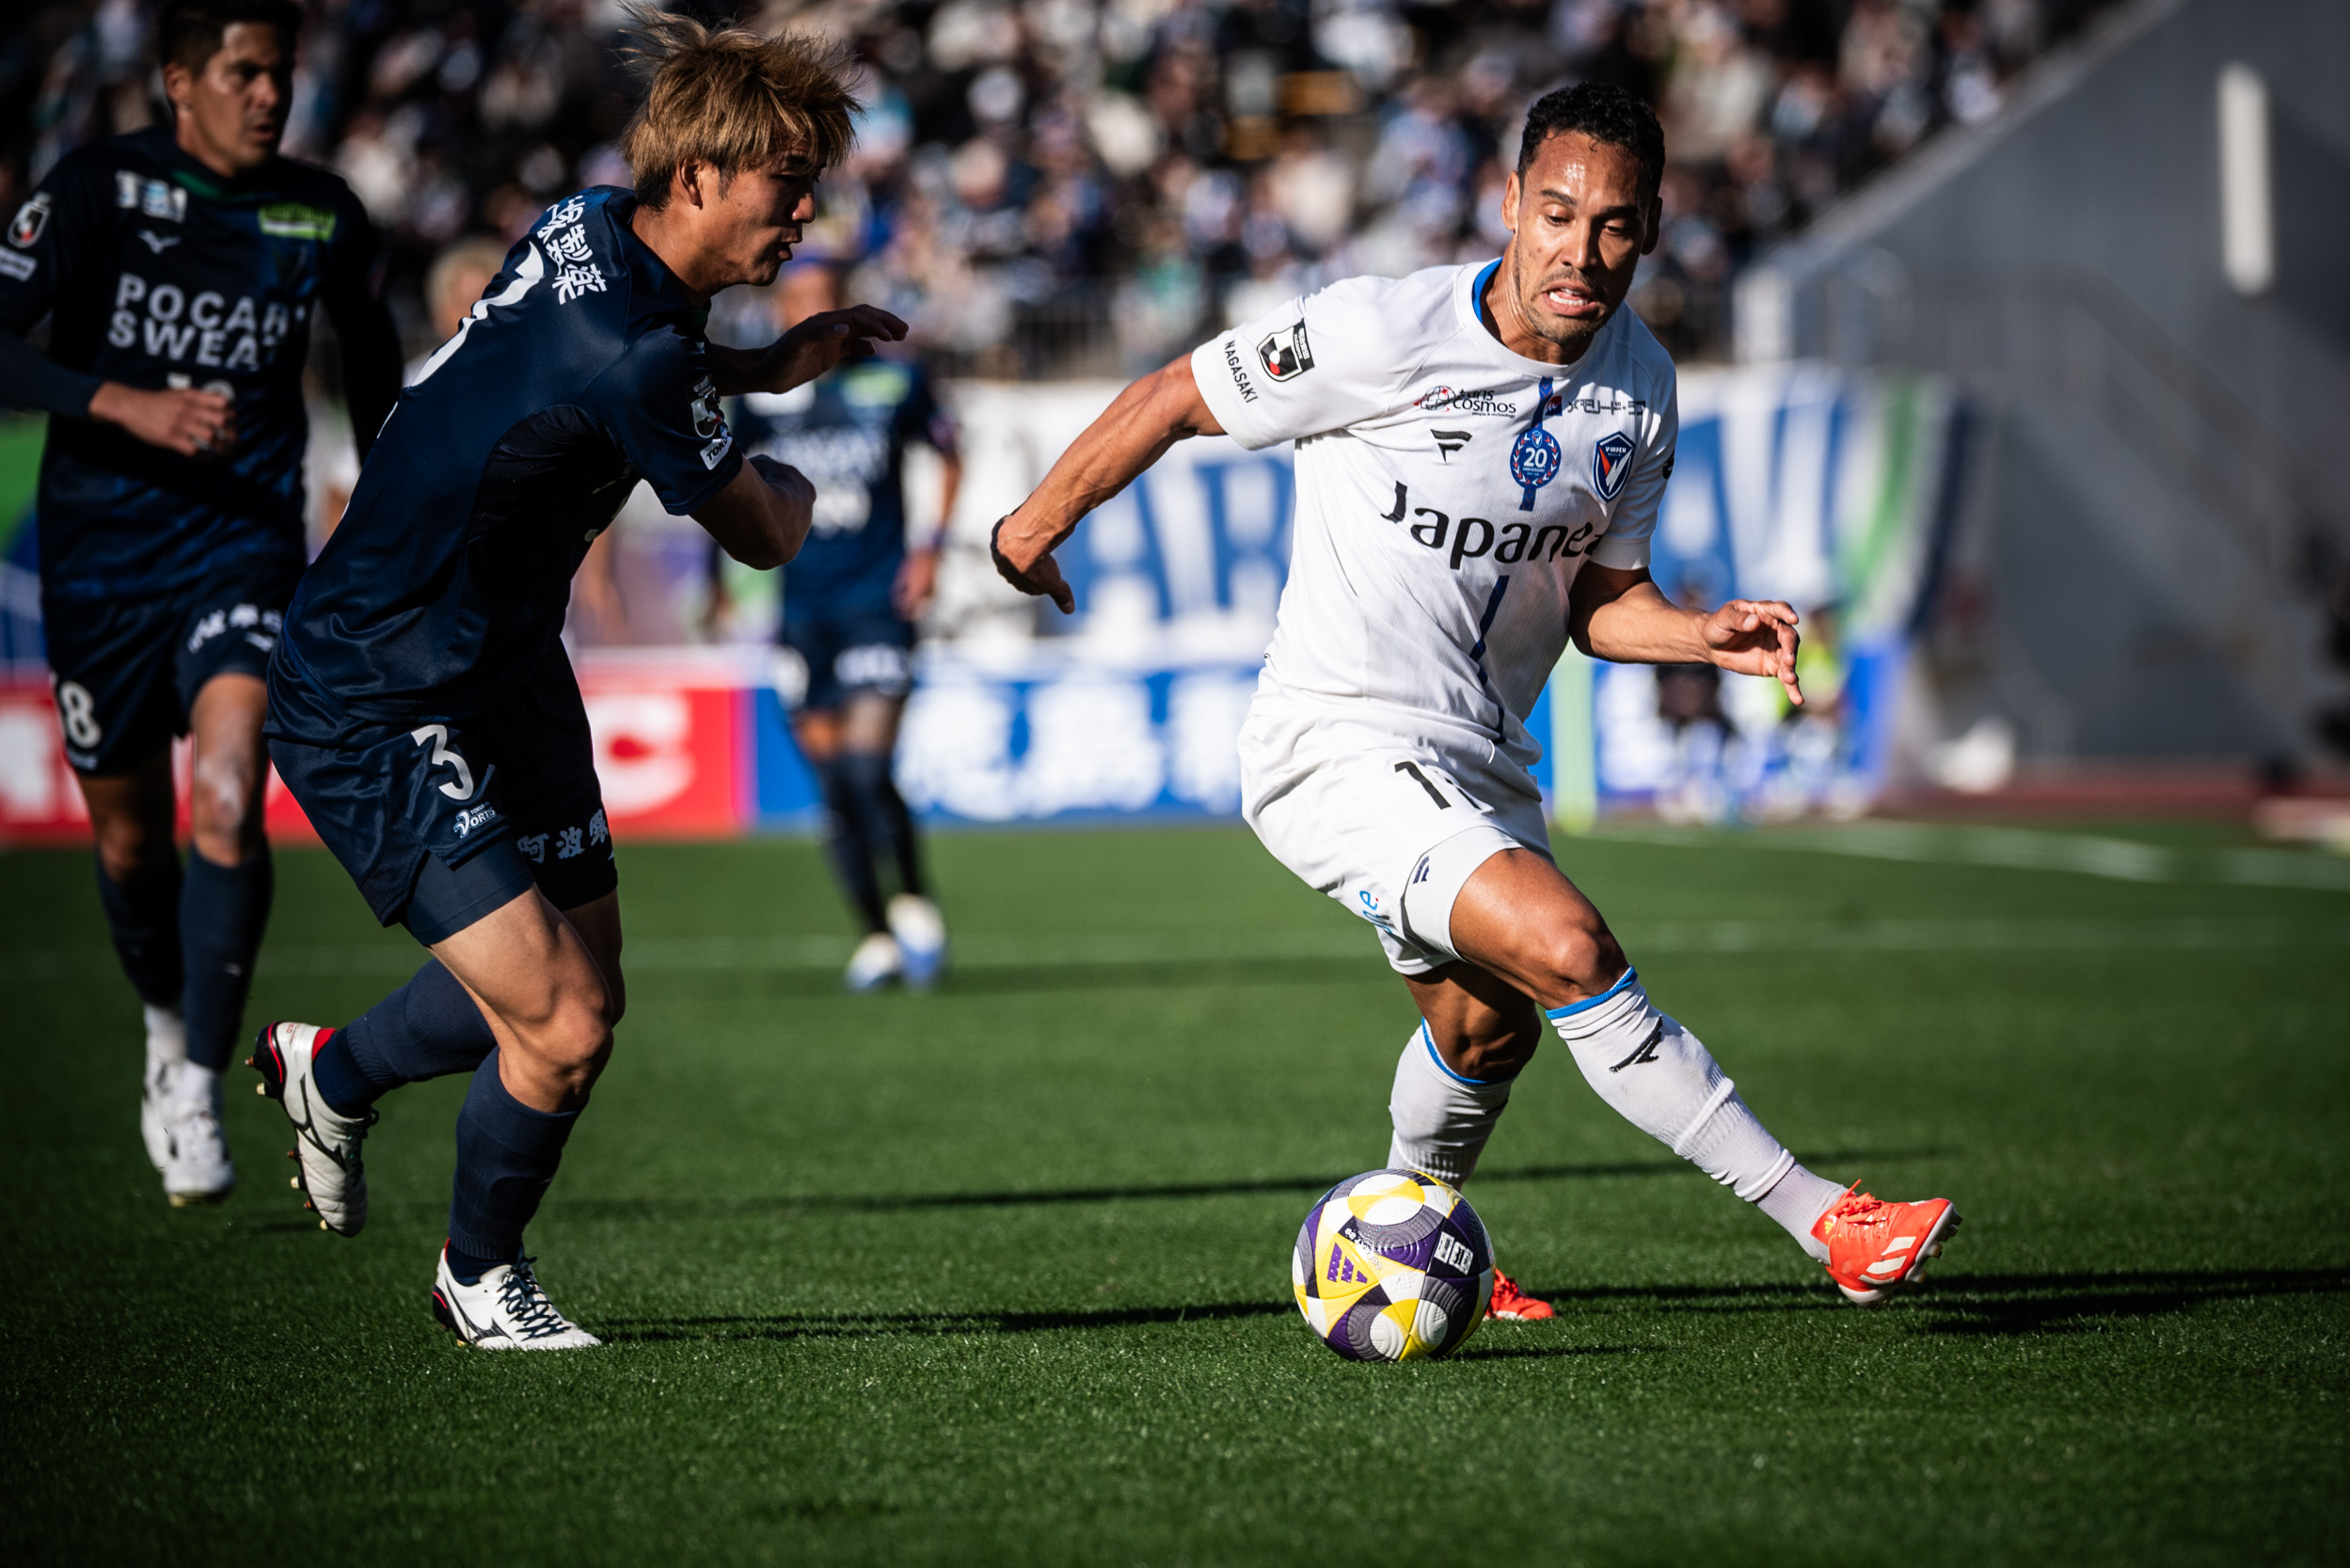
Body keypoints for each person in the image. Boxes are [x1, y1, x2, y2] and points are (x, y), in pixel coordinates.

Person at [992, 84, 1959, 1318]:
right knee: (1569, 947)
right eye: (1556, 212)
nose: (1580, 250)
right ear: (1508, 203)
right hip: (1335, 742)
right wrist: (1034, 523)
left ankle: (1415, 1232)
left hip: (1482, 757)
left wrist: (1698, 634)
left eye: (1614, 225)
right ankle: (1827, 1219)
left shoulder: (1641, 386)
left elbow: (1600, 602)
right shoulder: (1377, 331)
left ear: (1652, 231)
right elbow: (1177, 394)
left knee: (1488, 1031)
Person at [247, 11, 897, 1348]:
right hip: (377, 686)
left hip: (501, 662)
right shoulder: (640, 353)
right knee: (563, 1020)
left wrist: (760, 367)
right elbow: (764, 530)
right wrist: (794, 464)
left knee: (579, 974)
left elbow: (610, 366)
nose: (806, 212)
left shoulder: (590, 222)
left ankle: (335, 1069)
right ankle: (479, 1276)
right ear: (699, 177)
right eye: (787, 182)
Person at [0, 0, 401, 1207]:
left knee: (228, 793)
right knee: (130, 842)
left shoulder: (321, 211)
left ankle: (195, 1079)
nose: (270, 95)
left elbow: (369, 353)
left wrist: (384, 490)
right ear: (180, 81)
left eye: (281, 73)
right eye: (243, 73)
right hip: (99, 565)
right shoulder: (98, 189)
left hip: (244, 548)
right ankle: (166, 1018)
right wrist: (117, 400)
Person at [732, 260, 959, 990]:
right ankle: (876, 937)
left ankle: (913, 894)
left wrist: (930, 549)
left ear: (843, 309)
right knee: (833, 788)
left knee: (866, 767)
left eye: (822, 300)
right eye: (795, 301)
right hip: (801, 614)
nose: (808, 313)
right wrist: (720, 580)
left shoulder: (894, 383)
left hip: (876, 604)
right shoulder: (760, 401)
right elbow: (720, 482)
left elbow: (949, 452)